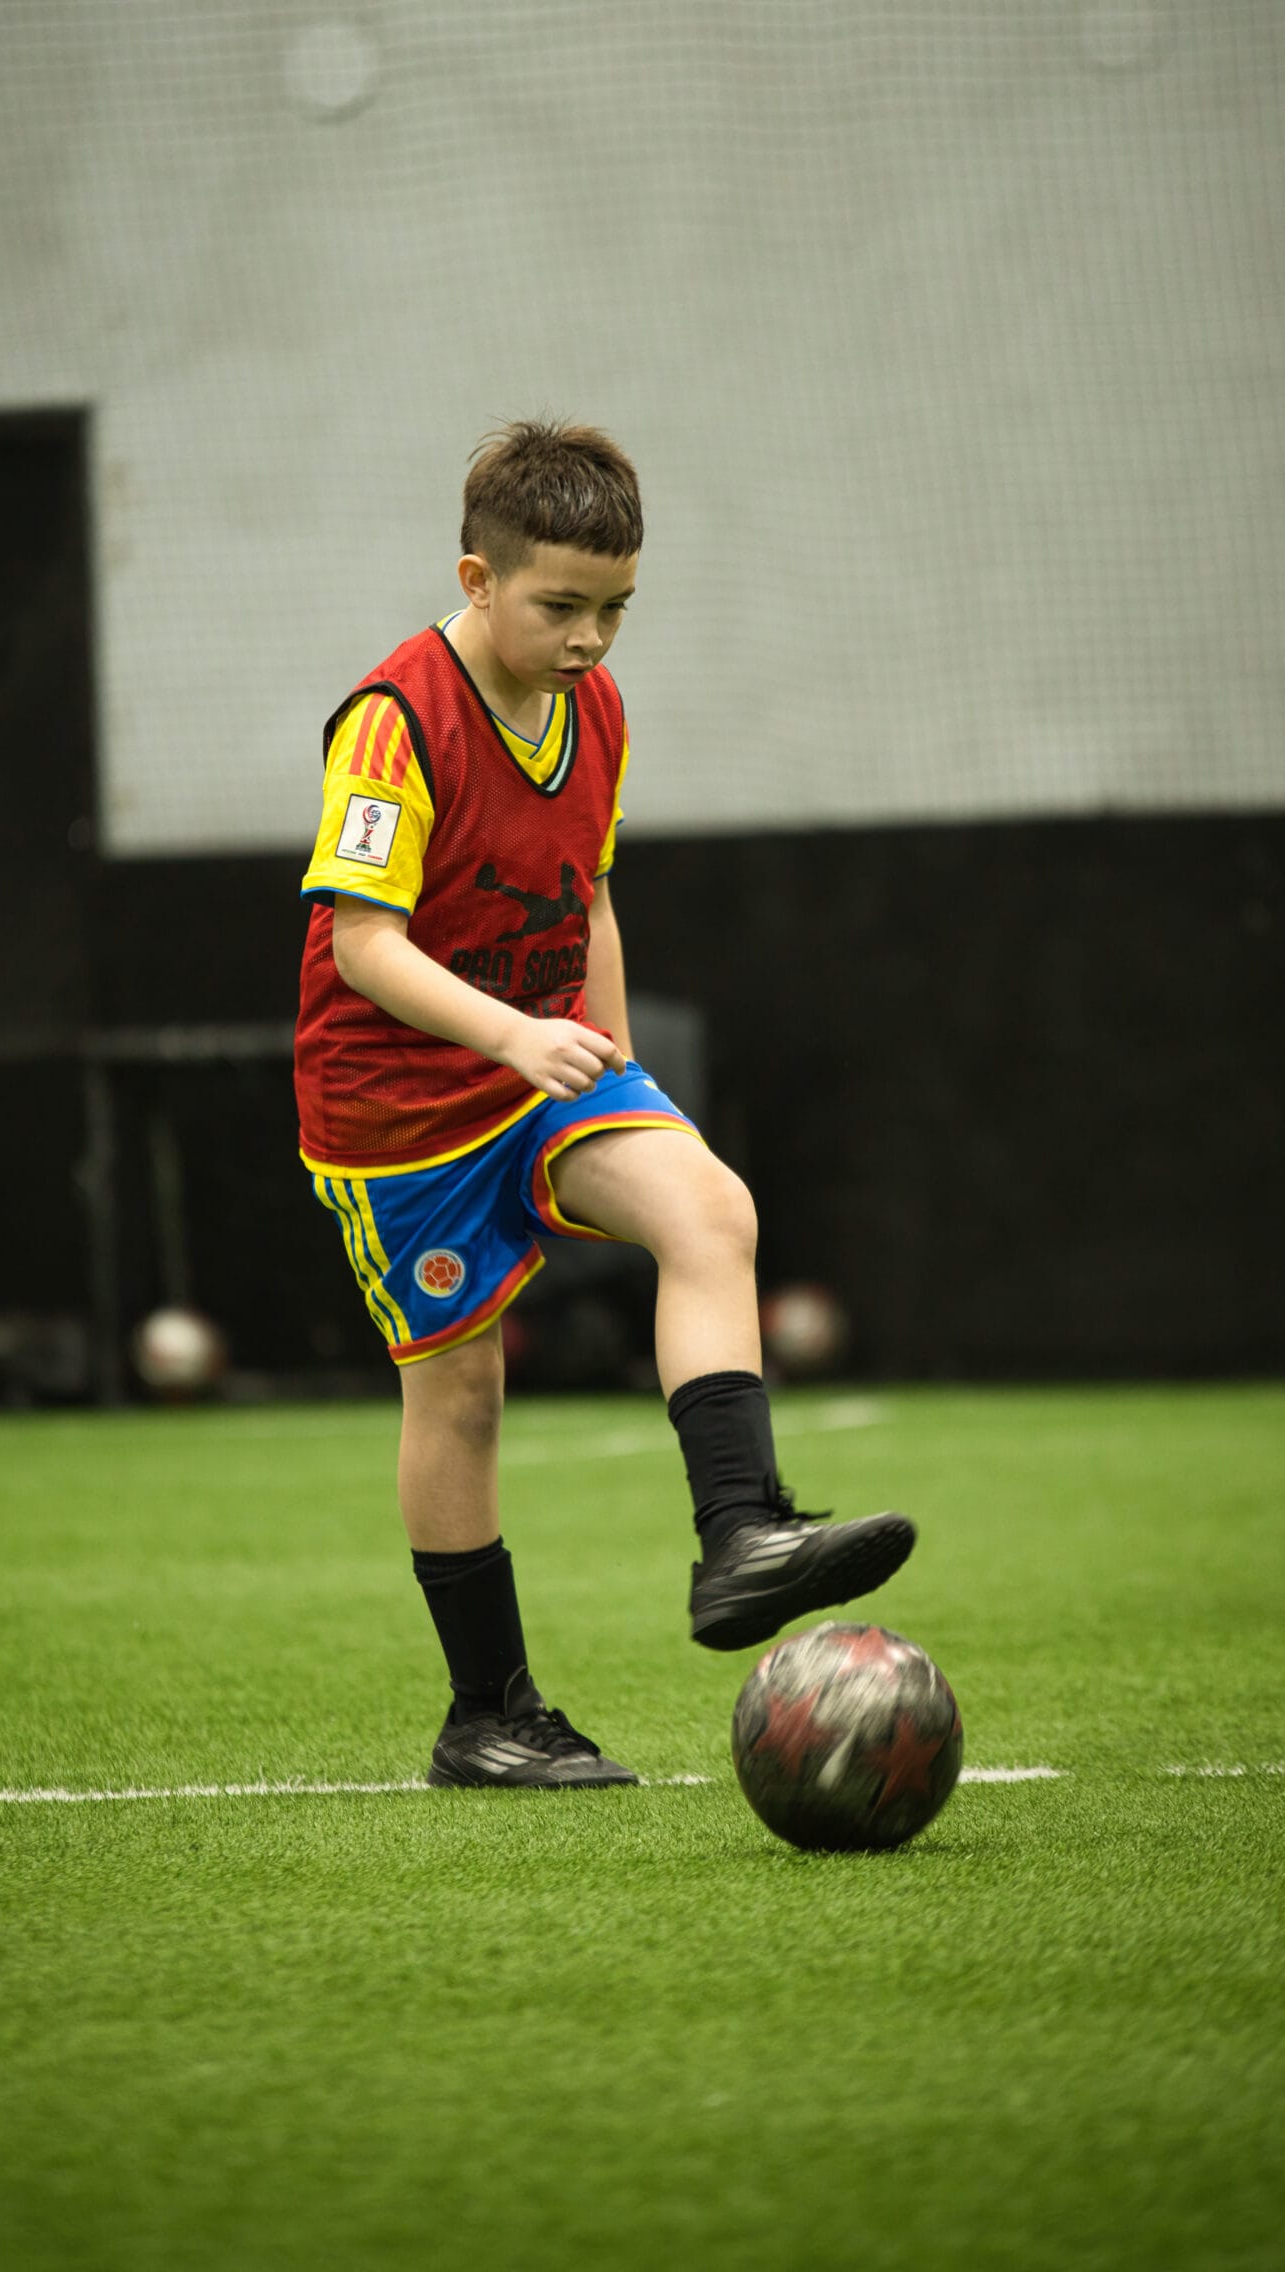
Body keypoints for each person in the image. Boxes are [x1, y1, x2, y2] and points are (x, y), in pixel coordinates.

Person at [294, 419, 915, 1786]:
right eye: (558, 607)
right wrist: (514, 1037)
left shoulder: (597, 712)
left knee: (710, 1206)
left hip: (548, 1062)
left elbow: (586, 891)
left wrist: (619, 1062)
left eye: (615, 611)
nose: (588, 640)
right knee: (460, 1397)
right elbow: (362, 948)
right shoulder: (390, 723)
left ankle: (740, 1537)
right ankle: (489, 1716)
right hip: (398, 1110)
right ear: (475, 578)